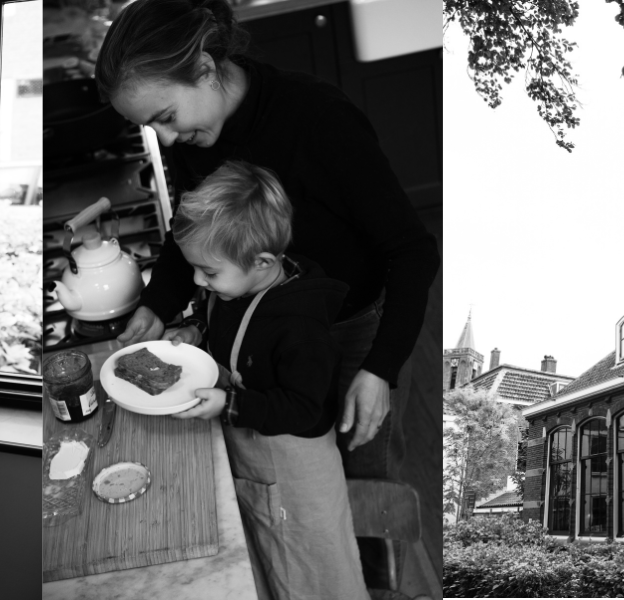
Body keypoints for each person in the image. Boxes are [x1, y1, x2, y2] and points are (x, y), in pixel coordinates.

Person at [97, 0, 440, 587]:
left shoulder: (318, 120)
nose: (169, 136)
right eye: (152, 127)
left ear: (205, 68)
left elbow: (412, 250)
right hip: (260, 326)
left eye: (167, 115)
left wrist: (380, 369)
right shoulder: (194, 138)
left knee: (361, 486)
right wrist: (157, 304)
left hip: (351, 331)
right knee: (292, 485)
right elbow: (192, 236)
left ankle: (374, 585)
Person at [168, 160, 368, 600]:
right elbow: (218, 314)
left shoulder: (301, 329)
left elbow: (304, 409)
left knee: (314, 575)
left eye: (209, 273)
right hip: (257, 467)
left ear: (262, 262)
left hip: (299, 479)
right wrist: (194, 328)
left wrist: (230, 405)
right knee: (272, 564)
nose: (199, 280)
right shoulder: (236, 284)